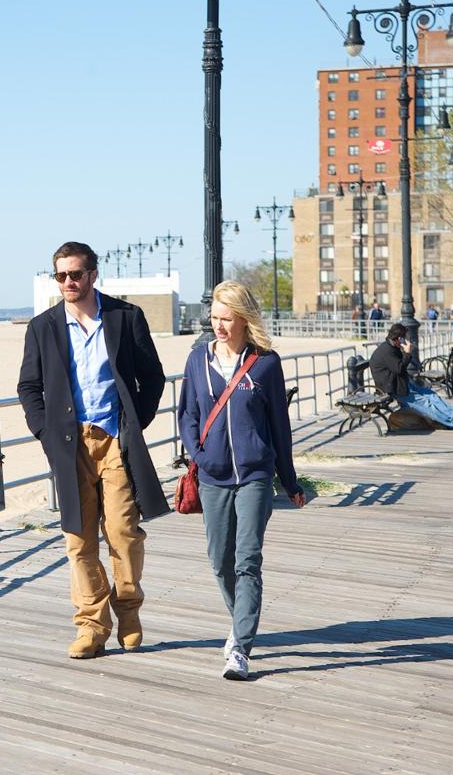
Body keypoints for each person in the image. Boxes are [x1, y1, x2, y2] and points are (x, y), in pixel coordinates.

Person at [17, 241, 170, 659]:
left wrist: (134, 424)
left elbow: (152, 377)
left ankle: (129, 611)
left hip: (115, 440)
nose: (68, 282)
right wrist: (44, 431)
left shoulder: (125, 316)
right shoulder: (43, 327)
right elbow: (29, 386)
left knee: (123, 531)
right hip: (69, 444)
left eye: (75, 274)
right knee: (78, 538)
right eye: (61, 275)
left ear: (92, 275)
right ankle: (91, 626)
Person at [178, 280, 305, 681]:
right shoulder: (198, 360)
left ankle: (240, 648)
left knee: (247, 559)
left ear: (244, 319)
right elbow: (187, 415)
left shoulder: (266, 363)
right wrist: (200, 455)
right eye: (214, 317)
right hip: (212, 475)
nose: (218, 326)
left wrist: (290, 481)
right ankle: (240, 622)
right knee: (220, 562)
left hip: (255, 475)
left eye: (226, 318)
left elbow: (279, 427)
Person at [369, 323, 453, 429]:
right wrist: (407, 353)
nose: (406, 341)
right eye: (404, 338)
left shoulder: (392, 347)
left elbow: (399, 367)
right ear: (398, 339)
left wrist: (403, 351)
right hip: (393, 389)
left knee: (432, 395)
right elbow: (400, 368)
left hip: (402, 383)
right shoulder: (387, 351)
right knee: (425, 402)